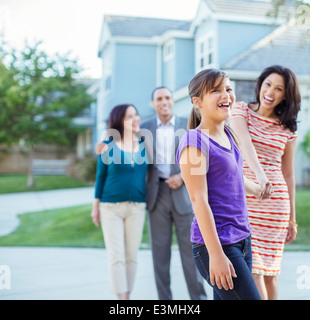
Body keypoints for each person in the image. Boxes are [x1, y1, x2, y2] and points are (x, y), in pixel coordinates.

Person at [96, 87, 206, 300]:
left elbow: (203, 157)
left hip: (184, 193)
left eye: (167, 98)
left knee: (192, 253)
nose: (164, 102)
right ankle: (164, 302)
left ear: (173, 101)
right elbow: (119, 134)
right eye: (159, 99)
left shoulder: (189, 125)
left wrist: (182, 177)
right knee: (160, 256)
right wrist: (102, 144)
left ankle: (198, 299)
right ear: (153, 104)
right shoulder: (143, 127)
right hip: (157, 195)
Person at [177, 68, 263, 300]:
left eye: (228, 88)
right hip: (216, 246)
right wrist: (215, 255)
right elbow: (198, 200)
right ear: (198, 102)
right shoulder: (194, 142)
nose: (225, 95)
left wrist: (257, 188)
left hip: (242, 239)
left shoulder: (227, 134)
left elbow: (231, 175)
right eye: (215, 90)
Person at [229, 65, 301, 300]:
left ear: (285, 95)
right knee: (254, 270)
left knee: (270, 272)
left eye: (278, 88)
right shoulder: (241, 111)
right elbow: (245, 144)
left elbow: (288, 174)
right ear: (260, 84)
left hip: (276, 204)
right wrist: (259, 176)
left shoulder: (287, 128)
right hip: (247, 199)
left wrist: (292, 218)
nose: (270, 92)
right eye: (268, 84)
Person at [91, 104, 148, 300]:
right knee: (116, 257)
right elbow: (100, 177)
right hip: (110, 207)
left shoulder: (144, 144)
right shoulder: (108, 145)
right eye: (130, 116)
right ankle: (121, 300)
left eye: (136, 114)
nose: (136, 118)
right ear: (120, 121)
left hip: (137, 207)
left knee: (131, 256)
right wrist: (95, 207)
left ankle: (128, 296)